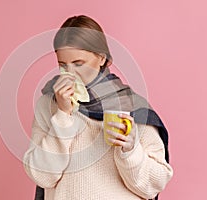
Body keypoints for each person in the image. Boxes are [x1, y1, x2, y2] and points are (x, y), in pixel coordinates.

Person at [23, 15, 173, 200]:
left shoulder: (132, 106)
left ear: (101, 58)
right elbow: (42, 176)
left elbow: (153, 185)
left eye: (79, 63)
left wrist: (130, 149)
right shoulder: (49, 104)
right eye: (63, 65)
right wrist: (63, 115)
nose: (70, 73)